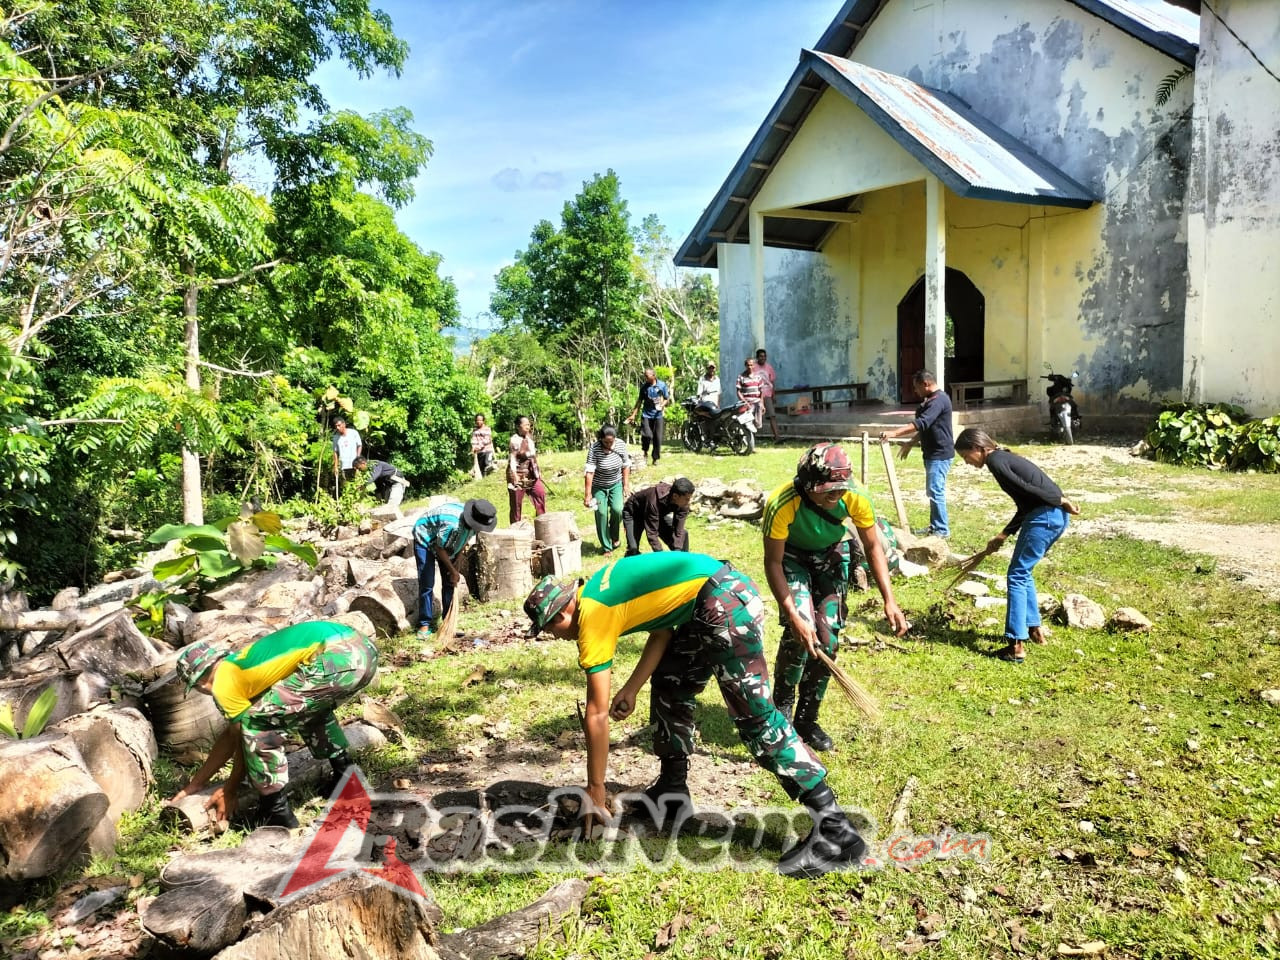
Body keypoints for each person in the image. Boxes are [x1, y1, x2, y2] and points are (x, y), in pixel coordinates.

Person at [523, 553, 871, 879]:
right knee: (670, 683)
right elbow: (661, 629)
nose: (556, 637)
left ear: (561, 615)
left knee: (757, 719)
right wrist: (632, 688)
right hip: (703, 603)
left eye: (551, 630)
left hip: (723, 602)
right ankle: (672, 791)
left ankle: (836, 832)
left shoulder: (592, 617)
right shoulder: (597, 590)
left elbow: (596, 715)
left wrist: (596, 789)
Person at [763, 443, 909, 752]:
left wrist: (889, 600)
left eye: (840, 489)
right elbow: (773, 562)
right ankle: (782, 711)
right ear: (806, 483)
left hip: (830, 557)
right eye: (827, 490)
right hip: (791, 560)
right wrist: (792, 613)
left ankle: (807, 719)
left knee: (827, 640)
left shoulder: (856, 496)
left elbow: (873, 548)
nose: (835, 496)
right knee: (799, 634)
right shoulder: (782, 502)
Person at [169, 620, 379, 829]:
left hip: (338, 658)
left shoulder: (222, 683)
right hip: (362, 648)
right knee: (305, 708)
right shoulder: (240, 666)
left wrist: (229, 789)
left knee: (257, 722)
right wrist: (197, 783)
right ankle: (347, 780)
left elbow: (244, 735)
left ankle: (277, 813)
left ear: (199, 682)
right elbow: (231, 736)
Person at [954, 428, 1080, 664]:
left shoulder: (995, 460)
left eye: (965, 457)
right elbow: (1025, 503)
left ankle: (1015, 645)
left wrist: (1060, 500)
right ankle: (1034, 631)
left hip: (1046, 515)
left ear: (977, 448)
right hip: (1053, 517)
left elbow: (1027, 490)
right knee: (1024, 572)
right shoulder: (1002, 458)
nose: (967, 463)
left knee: (1016, 575)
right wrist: (1003, 534)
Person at [879, 370, 955, 538]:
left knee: (936, 491)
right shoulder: (931, 401)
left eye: (916, 387)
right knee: (932, 490)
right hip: (931, 452)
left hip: (940, 453)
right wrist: (910, 443)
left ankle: (941, 530)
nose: (915, 391)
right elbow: (925, 428)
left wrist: (894, 433)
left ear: (926, 384)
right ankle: (935, 527)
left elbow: (921, 423)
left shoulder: (939, 401)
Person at [412, 498, 498, 640]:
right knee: (427, 582)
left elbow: (464, 540)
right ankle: (424, 625)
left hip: (444, 542)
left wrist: (458, 559)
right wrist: (453, 570)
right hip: (426, 538)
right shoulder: (452, 524)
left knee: (449, 583)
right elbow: (440, 549)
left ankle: (448, 622)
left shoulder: (474, 524)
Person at [583, 425, 631, 554]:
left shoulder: (620, 445)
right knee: (601, 514)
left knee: (618, 510)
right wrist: (587, 495)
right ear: (601, 439)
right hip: (598, 487)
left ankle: (614, 536)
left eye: (611, 441)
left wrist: (625, 485)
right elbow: (589, 472)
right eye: (606, 442)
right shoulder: (595, 448)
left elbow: (626, 465)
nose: (609, 444)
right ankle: (606, 547)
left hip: (616, 483)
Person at [623, 477, 693, 556]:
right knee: (633, 549)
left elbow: (678, 530)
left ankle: (683, 563)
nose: (688, 502)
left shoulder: (683, 504)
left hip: (657, 516)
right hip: (634, 514)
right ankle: (628, 566)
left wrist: (677, 551)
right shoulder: (654, 501)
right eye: (687, 499)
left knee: (683, 536)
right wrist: (660, 555)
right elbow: (652, 533)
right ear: (675, 496)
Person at [625, 368, 671, 466]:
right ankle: (645, 451)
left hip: (658, 415)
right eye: (644, 376)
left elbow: (667, 398)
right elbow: (639, 401)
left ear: (653, 375)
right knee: (647, 435)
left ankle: (655, 459)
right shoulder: (644, 387)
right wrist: (633, 414)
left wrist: (662, 405)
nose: (645, 377)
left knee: (657, 438)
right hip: (646, 414)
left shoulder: (662, 385)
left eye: (647, 376)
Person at [507, 415, 547, 523]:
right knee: (516, 505)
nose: (528, 427)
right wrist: (514, 475)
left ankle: (542, 523)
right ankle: (515, 530)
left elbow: (533, 457)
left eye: (529, 424)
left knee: (540, 494)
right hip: (518, 474)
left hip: (531, 474)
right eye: (525, 425)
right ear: (518, 426)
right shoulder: (514, 440)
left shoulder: (530, 440)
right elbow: (512, 459)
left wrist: (538, 472)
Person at [735, 358, 763, 452]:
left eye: (751, 365)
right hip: (747, 404)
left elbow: (761, 391)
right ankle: (748, 444)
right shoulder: (741, 377)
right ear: (745, 365)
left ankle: (752, 444)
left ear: (754, 365)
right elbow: (738, 392)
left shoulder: (758, 377)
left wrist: (762, 404)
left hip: (757, 403)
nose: (750, 367)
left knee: (756, 424)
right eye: (748, 365)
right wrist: (744, 402)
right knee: (747, 423)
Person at [755, 348, 780, 442]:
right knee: (755, 416)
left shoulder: (769, 367)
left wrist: (773, 394)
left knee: (772, 415)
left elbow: (772, 382)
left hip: (767, 395)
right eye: (761, 356)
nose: (763, 358)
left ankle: (777, 436)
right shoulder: (753, 367)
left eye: (764, 356)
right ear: (757, 357)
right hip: (756, 395)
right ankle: (753, 437)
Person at [331, 417, 363, 486]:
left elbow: (359, 445)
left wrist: (357, 459)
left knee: (357, 485)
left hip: (355, 465)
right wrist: (336, 466)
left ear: (344, 424)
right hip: (344, 466)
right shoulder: (336, 437)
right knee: (346, 486)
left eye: (339, 425)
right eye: (336, 426)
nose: (337, 428)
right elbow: (335, 452)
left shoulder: (353, 433)